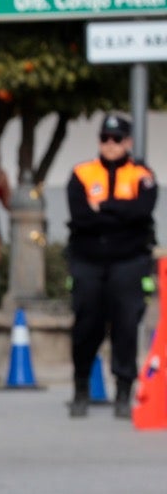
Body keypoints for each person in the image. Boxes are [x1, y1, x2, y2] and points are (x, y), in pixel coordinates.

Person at [66, 112, 159, 418]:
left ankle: (123, 390)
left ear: (128, 142)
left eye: (116, 139)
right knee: (86, 325)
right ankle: (81, 388)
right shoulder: (82, 173)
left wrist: (103, 208)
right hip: (88, 260)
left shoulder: (142, 175)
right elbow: (80, 216)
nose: (110, 144)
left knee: (126, 325)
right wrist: (121, 213)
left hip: (128, 261)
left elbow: (142, 212)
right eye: (105, 138)